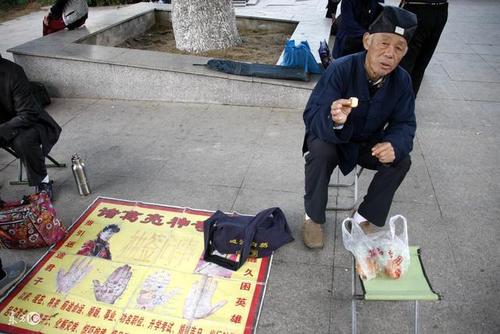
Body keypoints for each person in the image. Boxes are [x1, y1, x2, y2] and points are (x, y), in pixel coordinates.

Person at [302, 5, 418, 249]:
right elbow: (311, 115)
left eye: (399, 48)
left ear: (405, 53)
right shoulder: (340, 69)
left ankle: (363, 217)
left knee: (401, 160)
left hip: (367, 142)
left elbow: (405, 122)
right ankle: (313, 217)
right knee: (321, 151)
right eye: (384, 44)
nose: (389, 54)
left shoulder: (402, 80)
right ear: (367, 41)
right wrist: (334, 118)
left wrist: (394, 144)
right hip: (332, 137)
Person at [0, 55, 62, 200]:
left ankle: (43, 182)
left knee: (23, 141)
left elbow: (27, 114)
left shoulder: (13, 72)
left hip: (28, 122)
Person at [399, 0, 448, 96]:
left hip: (435, 9)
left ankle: (405, 104)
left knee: (416, 64)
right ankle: (403, 104)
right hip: (421, 8)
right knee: (409, 63)